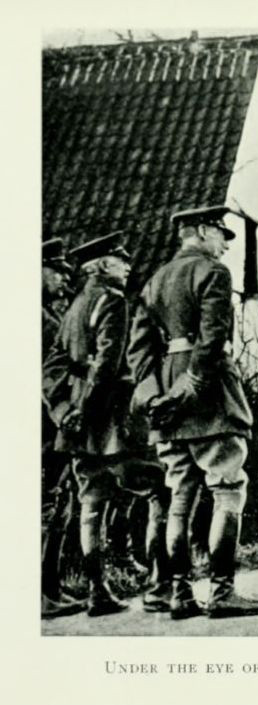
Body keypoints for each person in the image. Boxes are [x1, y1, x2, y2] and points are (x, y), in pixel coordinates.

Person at [127, 205, 258, 619]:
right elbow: (212, 338)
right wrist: (192, 386)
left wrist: (156, 395)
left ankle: (179, 594)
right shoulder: (213, 273)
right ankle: (222, 591)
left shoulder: (154, 281)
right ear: (204, 231)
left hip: (167, 400)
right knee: (228, 487)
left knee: (180, 497)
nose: (226, 244)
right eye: (222, 234)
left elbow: (138, 350)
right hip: (207, 395)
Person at [43, 231, 168, 617]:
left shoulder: (73, 307)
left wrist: (65, 412)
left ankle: (99, 591)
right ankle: (161, 583)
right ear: (102, 265)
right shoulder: (112, 300)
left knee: (91, 502)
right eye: (120, 260)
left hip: (78, 428)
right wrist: (91, 410)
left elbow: (50, 368)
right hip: (112, 421)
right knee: (160, 490)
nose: (128, 266)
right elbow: (109, 364)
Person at [40, 238, 85, 619]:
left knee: (59, 506)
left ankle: (50, 586)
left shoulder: (48, 315)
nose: (63, 281)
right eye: (57, 272)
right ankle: (38, 592)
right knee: (44, 506)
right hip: (40, 428)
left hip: (51, 427)